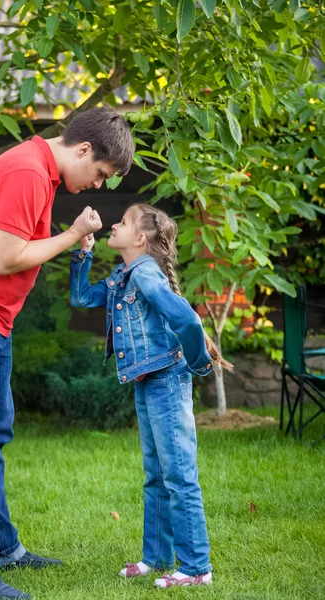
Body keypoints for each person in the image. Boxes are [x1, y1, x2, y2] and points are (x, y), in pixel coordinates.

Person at [0, 107, 134, 599]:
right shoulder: (28, 171)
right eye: (100, 173)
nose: (99, 185)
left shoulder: (40, 171)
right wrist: (74, 235)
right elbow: (4, 257)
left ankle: (2, 548)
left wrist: (71, 240)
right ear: (82, 150)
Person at [69, 203, 233, 589]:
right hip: (148, 380)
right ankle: (157, 557)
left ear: (140, 238)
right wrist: (84, 252)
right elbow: (81, 297)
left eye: (123, 222)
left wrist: (198, 366)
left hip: (166, 379)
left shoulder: (144, 273)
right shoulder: (125, 275)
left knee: (178, 476)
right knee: (156, 475)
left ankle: (196, 568)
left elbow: (187, 319)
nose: (114, 223)